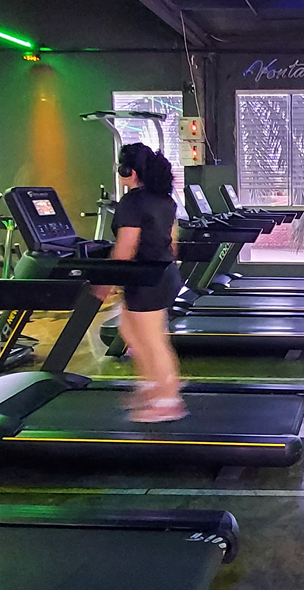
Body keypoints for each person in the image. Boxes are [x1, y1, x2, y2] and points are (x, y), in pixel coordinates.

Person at [107, 142, 186, 422]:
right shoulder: (164, 199)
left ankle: (169, 399)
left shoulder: (132, 202)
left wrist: (105, 282)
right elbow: (172, 242)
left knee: (153, 341)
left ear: (128, 170)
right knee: (129, 331)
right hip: (162, 274)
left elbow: (125, 249)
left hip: (144, 279)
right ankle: (153, 384)